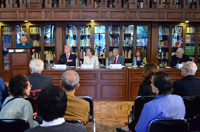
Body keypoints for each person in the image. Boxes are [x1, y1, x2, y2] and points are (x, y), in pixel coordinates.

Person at [118, 71, 185, 132]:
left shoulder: (149, 106)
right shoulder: (179, 99)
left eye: (152, 83)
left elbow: (139, 129)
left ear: (158, 88)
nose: (150, 85)